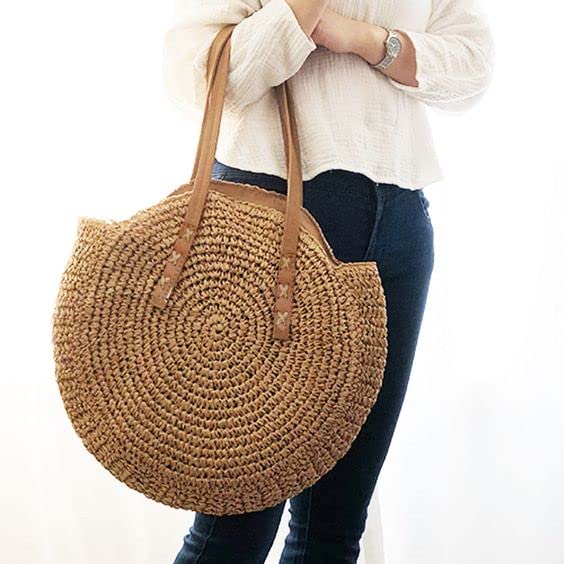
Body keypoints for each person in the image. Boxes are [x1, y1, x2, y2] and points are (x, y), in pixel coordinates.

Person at [163, 1, 494, 562]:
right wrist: (299, 12)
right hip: (265, 217)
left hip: (398, 221)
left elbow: (472, 67)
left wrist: (366, 40)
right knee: (234, 523)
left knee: (335, 528)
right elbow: (201, 76)